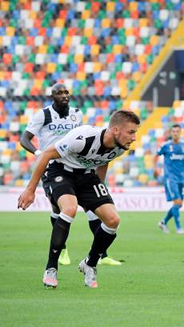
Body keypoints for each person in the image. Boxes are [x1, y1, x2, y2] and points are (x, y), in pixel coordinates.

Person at [18, 110, 140, 288]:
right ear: (115, 130)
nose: (134, 137)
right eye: (131, 132)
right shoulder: (82, 137)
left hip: (87, 177)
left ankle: (90, 264)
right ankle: (51, 268)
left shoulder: (119, 148)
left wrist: (99, 193)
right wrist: (30, 190)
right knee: (70, 208)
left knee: (113, 220)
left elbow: (103, 161)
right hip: (59, 171)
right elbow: (46, 155)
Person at [20, 83, 122, 266]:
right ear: (52, 96)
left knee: (93, 211)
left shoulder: (77, 113)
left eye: (66, 92)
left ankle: (102, 255)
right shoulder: (43, 115)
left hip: (78, 166)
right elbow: (24, 139)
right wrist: (39, 154)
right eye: (59, 93)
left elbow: (82, 138)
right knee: (59, 209)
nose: (64, 95)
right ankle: (62, 249)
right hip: (52, 164)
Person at [156, 124, 184, 234]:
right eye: (173, 131)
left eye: (177, 131)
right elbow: (156, 155)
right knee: (177, 202)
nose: (175, 133)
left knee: (179, 204)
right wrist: (155, 168)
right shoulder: (166, 145)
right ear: (171, 133)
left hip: (181, 179)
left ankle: (163, 222)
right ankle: (178, 227)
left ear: (180, 133)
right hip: (170, 179)